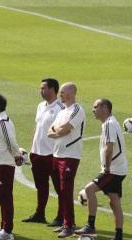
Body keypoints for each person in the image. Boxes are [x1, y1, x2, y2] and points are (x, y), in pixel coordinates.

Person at [75, 99, 127, 240]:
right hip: (119, 169)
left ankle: (90, 226)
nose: (93, 109)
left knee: (89, 189)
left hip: (113, 170)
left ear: (105, 108)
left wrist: (106, 168)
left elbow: (109, 147)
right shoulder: (110, 123)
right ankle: (118, 235)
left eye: (95, 107)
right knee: (114, 201)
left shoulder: (109, 124)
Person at [47, 82, 86, 238]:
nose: (60, 94)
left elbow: (65, 129)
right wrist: (58, 131)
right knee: (61, 191)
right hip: (57, 154)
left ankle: (68, 226)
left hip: (70, 155)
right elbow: (50, 131)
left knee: (66, 190)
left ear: (71, 93)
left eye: (62, 92)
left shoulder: (77, 110)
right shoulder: (62, 111)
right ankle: (67, 222)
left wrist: (58, 131)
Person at [23, 78, 63, 225]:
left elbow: (62, 130)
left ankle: (61, 216)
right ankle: (40, 214)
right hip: (37, 153)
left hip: (52, 154)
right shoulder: (41, 106)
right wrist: (32, 147)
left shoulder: (60, 108)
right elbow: (37, 126)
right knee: (41, 186)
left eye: (43, 88)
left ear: (52, 89)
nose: (41, 91)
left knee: (60, 187)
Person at [0, 92, 23, 240]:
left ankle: (7, 232)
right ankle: (3, 227)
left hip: (4, 165)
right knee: (1, 197)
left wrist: (17, 156)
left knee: (5, 197)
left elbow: (10, 141)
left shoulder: (3, 122)